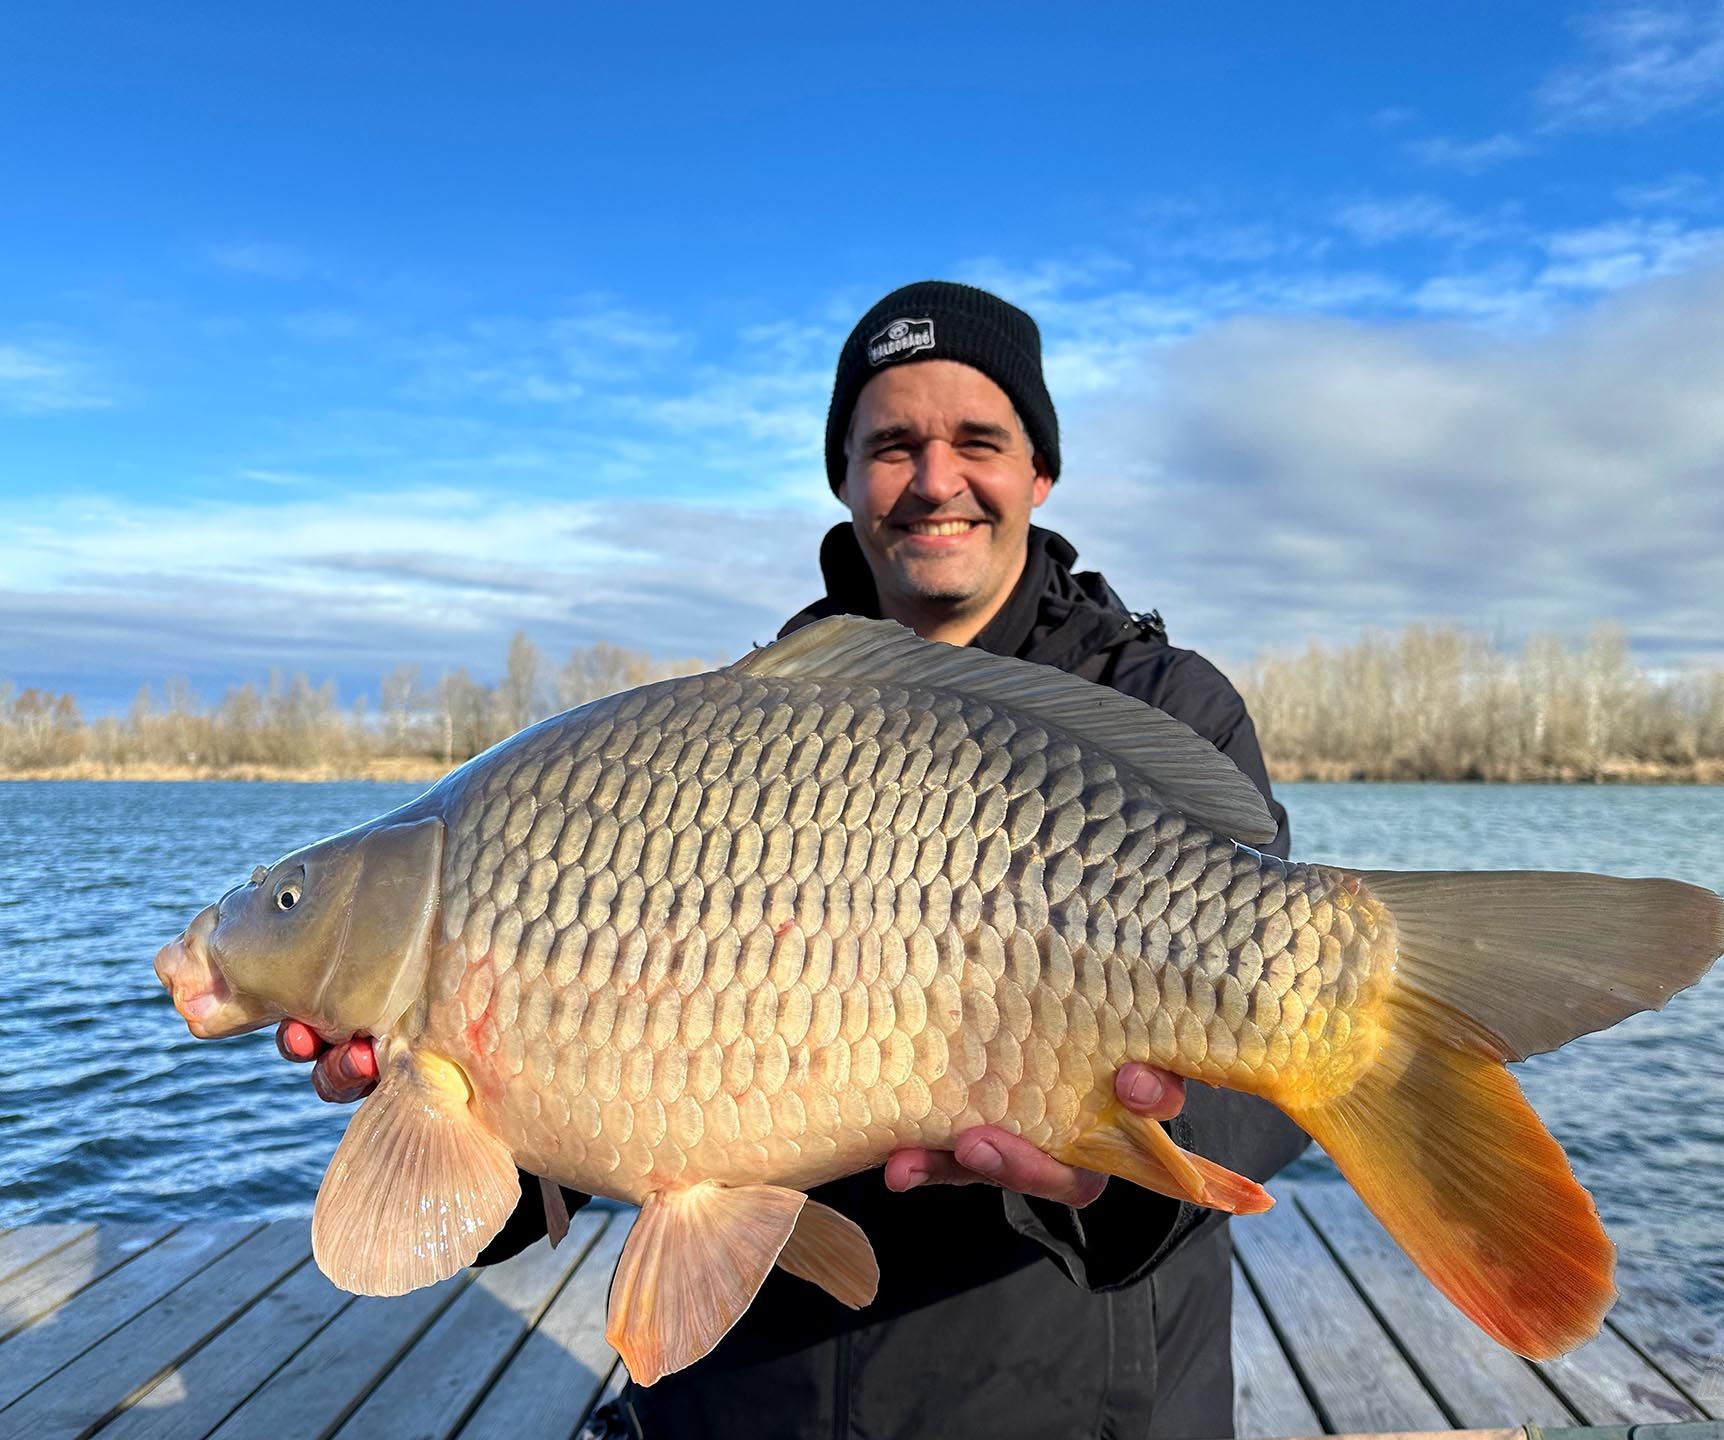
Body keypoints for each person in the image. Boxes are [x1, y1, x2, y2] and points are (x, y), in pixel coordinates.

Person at [277, 280, 1308, 1439]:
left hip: (1069, 1395)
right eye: (891, 446)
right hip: (750, 1396)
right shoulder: (724, 735)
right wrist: (449, 1110)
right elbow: (596, 1090)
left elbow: (1255, 1081)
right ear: (844, 475)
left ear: (1039, 473)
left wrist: (1106, 1181)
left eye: (978, 440)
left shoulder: (1162, 703)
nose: (934, 481)